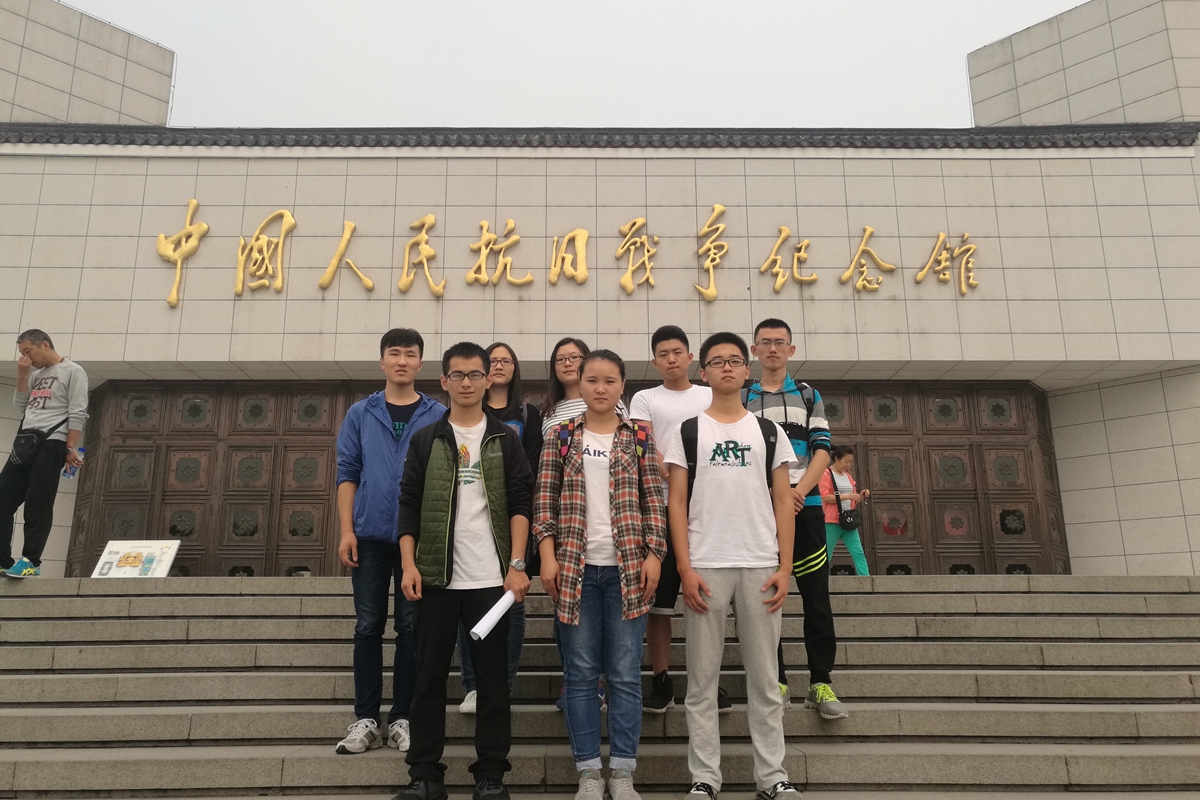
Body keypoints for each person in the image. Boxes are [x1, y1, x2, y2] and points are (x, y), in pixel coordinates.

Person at [661, 332, 801, 800]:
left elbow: (783, 500)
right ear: (703, 372)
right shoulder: (688, 431)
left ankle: (772, 777)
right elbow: (676, 503)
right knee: (702, 681)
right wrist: (684, 568)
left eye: (735, 361)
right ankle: (705, 777)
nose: (727, 367)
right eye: (717, 361)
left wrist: (785, 566)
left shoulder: (769, 432)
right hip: (705, 566)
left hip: (760, 565)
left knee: (765, 681)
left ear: (747, 370)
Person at [397, 341, 534, 800]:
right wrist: (409, 564)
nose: (468, 382)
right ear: (444, 381)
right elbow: (409, 503)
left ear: (489, 379)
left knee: (493, 683)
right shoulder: (426, 439)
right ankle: (425, 775)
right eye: (458, 375)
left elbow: (520, 502)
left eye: (476, 374)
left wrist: (517, 565)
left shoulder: (505, 438)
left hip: (491, 582)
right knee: (428, 680)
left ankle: (490, 776)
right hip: (436, 579)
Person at [535, 350, 667, 800]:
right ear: (581, 382)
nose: (600, 387)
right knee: (581, 674)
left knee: (626, 674)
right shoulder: (560, 435)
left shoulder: (639, 436)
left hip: (628, 570)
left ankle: (623, 771)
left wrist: (655, 554)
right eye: (592, 379)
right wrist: (547, 556)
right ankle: (589, 772)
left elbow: (654, 500)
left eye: (610, 380)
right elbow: (544, 500)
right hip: (575, 570)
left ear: (622, 386)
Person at [334, 328, 446, 755]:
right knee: (367, 626)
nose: (402, 361)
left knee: (411, 628)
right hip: (369, 536)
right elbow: (348, 472)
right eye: (394, 353)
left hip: (417, 540)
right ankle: (365, 718)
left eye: (410, 354)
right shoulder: (361, 413)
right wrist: (347, 529)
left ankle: (403, 717)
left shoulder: (437, 414)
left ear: (421, 364)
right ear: (382, 361)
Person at [745, 318, 846, 720]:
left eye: (779, 342)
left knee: (816, 597)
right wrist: (775, 496)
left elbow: (822, 448)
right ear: (754, 350)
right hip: (759, 510)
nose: (772, 349)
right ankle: (777, 681)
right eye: (765, 342)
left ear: (791, 349)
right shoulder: (742, 395)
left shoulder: (808, 395)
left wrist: (798, 492)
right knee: (766, 599)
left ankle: (821, 681)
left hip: (807, 507)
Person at [628, 326, 728, 714]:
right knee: (659, 605)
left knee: (709, 602)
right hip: (659, 509)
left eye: (677, 352)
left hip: (708, 511)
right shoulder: (645, 398)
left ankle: (709, 681)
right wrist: (678, 472)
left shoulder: (708, 394)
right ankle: (662, 681)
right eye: (663, 354)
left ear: (690, 358)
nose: (671, 359)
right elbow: (643, 444)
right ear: (654, 362)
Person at [457, 342, 543, 714]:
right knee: (467, 602)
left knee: (512, 601)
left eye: (506, 361)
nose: (499, 366)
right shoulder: (464, 412)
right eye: (493, 361)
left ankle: (502, 684)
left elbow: (532, 466)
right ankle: (474, 686)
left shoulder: (527, 413)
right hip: (470, 519)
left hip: (513, 518)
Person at [1, 330, 87, 578]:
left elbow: (78, 411)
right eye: (22, 353)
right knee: (3, 500)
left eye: (28, 351)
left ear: (45, 345)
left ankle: (31, 561)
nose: (26, 357)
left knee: (37, 504)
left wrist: (70, 448)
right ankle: (3, 561)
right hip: (25, 443)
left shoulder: (73, 371)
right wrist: (22, 375)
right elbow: (21, 406)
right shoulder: (36, 375)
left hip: (52, 442)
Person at [542, 338, 627, 435]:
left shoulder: (610, 402)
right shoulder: (547, 411)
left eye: (574, 357)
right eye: (560, 359)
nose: (567, 363)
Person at [821, 445, 870, 576]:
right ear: (836, 459)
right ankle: (820, 580)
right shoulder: (826, 474)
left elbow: (850, 501)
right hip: (831, 521)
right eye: (846, 461)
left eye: (850, 462)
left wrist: (860, 496)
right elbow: (825, 497)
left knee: (858, 552)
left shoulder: (847, 476)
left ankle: (865, 579)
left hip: (848, 520)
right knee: (826, 554)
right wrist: (848, 496)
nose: (848, 465)